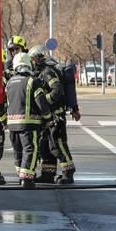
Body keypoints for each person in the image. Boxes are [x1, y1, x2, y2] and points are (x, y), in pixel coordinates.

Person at [29, 45, 76, 184]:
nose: (31, 63)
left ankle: (68, 173)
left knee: (58, 145)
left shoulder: (47, 72)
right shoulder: (42, 71)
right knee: (45, 146)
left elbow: (57, 90)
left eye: (32, 60)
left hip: (56, 116)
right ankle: (47, 174)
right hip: (47, 117)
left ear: (37, 59)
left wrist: (44, 101)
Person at [6, 52, 52, 189]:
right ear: (28, 65)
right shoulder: (33, 81)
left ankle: (21, 175)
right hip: (29, 124)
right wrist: (48, 118)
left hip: (12, 125)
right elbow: (41, 102)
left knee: (18, 151)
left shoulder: (9, 82)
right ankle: (27, 179)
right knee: (30, 149)